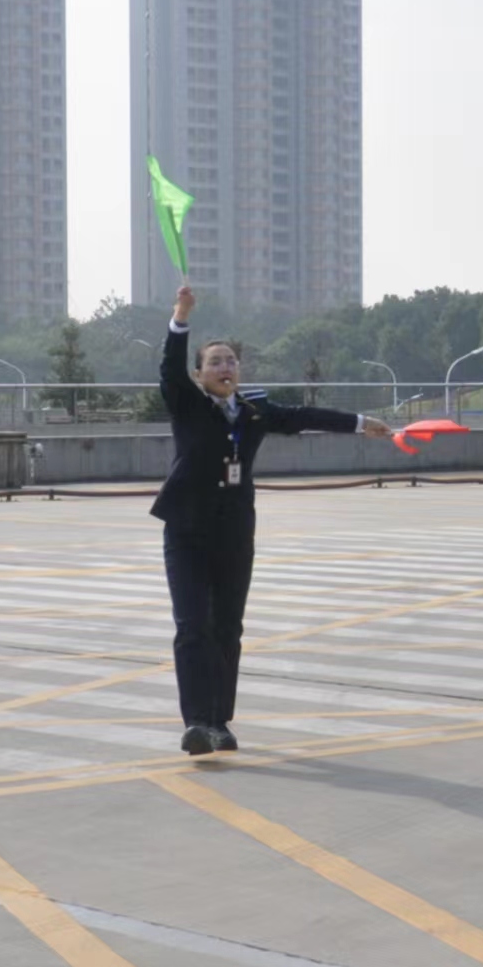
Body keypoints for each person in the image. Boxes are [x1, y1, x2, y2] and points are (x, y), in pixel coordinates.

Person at [153, 285, 392, 755]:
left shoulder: (255, 411)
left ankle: (219, 722)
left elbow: (303, 415)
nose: (225, 367)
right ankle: (196, 722)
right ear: (199, 374)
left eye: (231, 361)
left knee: (228, 628)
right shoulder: (187, 403)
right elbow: (168, 368)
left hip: (234, 533)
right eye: (215, 362)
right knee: (192, 625)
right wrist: (181, 315)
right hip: (186, 532)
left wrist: (361, 423)